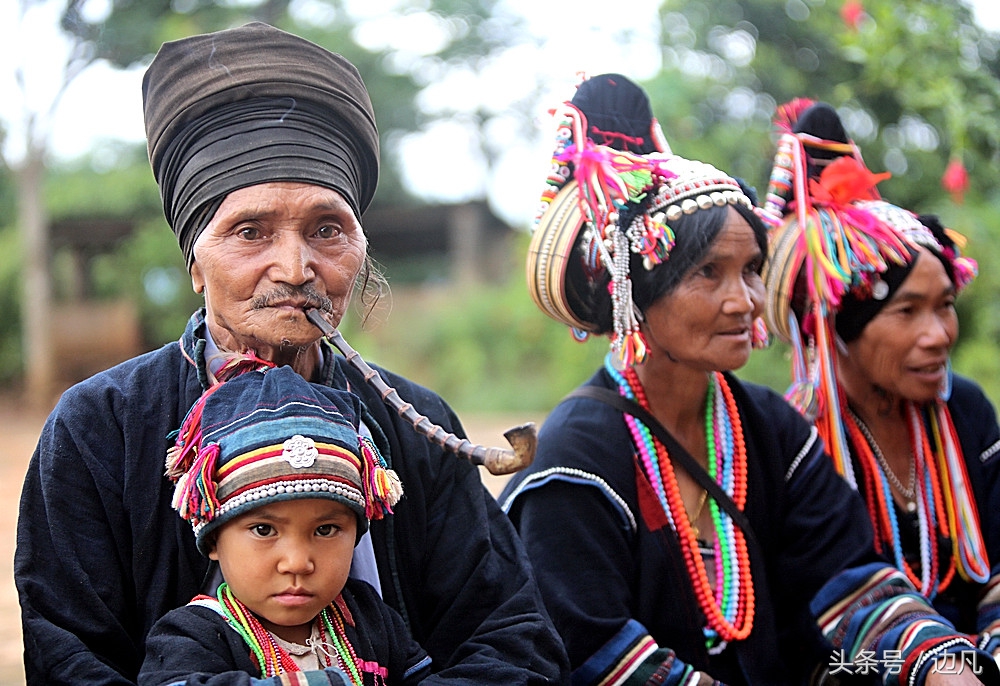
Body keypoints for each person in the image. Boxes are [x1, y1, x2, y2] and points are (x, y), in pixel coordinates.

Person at [15, 21, 568, 685]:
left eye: (326, 229)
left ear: (360, 250)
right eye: (250, 232)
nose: (296, 267)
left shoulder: (417, 426)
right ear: (195, 262)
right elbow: (68, 659)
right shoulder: (99, 428)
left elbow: (511, 639)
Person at [500, 73, 999, 685]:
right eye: (710, 272)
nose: (745, 300)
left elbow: (850, 585)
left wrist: (946, 669)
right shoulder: (576, 455)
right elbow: (593, 650)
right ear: (638, 293)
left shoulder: (769, 429)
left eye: (752, 271)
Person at [761, 100, 1000, 653]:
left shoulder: (962, 408)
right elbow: (823, 610)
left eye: (945, 305)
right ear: (838, 330)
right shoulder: (794, 439)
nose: (939, 333)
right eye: (907, 311)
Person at [140, 362, 430, 685]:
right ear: (212, 540)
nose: (297, 563)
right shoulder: (193, 635)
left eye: (326, 530)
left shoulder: (370, 621)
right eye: (264, 530)